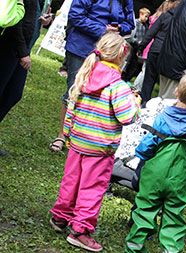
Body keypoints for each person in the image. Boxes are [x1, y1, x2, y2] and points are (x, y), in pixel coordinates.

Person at [49, 33, 140, 252]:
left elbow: (71, 106)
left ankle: (60, 217)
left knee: (71, 181)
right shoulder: (117, 86)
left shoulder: (85, 74)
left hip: (78, 142)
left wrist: (68, 133)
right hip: (100, 149)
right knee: (92, 188)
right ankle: (80, 231)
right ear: (121, 55)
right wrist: (135, 104)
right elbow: (127, 117)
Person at [125, 71, 186, 253]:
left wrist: (145, 157)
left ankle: (134, 247)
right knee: (174, 217)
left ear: (177, 92)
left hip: (153, 177)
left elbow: (145, 147)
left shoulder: (162, 119)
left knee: (145, 210)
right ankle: (170, 250)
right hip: (180, 179)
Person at [49, 0, 135, 152]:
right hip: (81, 47)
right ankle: (62, 135)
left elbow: (130, 24)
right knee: (74, 90)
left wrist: (119, 28)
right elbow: (76, 15)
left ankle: (85, 136)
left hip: (109, 53)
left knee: (100, 96)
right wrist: (103, 30)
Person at [137, 0, 180, 103]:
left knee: (148, 79)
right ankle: (160, 104)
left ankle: (144, 103)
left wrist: (141, 47)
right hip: (168, 53)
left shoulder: (165, 16)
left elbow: (151, 33)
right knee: (164, 82)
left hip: (155, 50)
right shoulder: (181, 20)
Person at [0, 0, 36, 123]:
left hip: (24, 46)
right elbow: (11, 19)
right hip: (10, 45)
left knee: (14, 93)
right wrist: (22, 52)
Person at [122, 7, 151, 82]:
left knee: (134, 65)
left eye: (148, 17)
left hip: (139, 47)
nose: (147, 19)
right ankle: (122, 77)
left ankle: (127, 79)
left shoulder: (145, 25)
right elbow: (132, 36)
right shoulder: (135, 23)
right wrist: (136, 42)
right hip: (133, 46)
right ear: (140, 14)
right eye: (146, 16)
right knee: (128, 62)